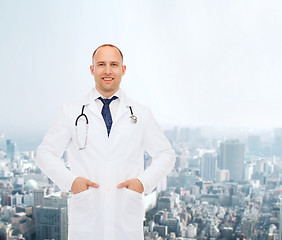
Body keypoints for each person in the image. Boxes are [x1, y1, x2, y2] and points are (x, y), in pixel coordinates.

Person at [35, 44, 175, 240]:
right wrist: (71, 182)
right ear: (92, 69)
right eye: (101, 64)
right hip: (86, 222)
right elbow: (45, 154)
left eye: (114, 64)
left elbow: (166, 155)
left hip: (126, 220)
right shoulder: (71, 111)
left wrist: (143, 183)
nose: (108, 71)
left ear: (123, 70)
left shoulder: (141, 113)